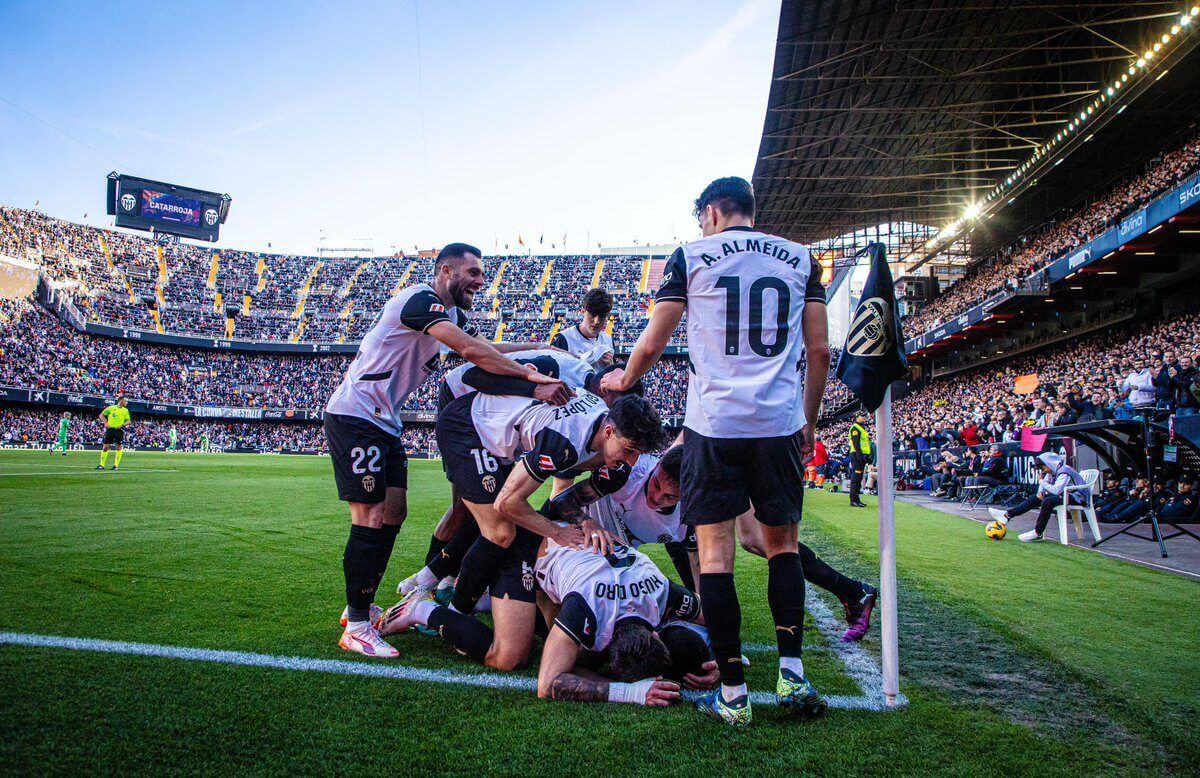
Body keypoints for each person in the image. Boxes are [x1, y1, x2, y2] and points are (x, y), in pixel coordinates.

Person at [601, 176, 830, 727]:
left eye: (701, 216)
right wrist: (809, 419)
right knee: (783, 549)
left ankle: (733, 691)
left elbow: (655, 340)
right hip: (777, 422)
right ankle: (793, 675)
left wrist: (624, 380)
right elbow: (819, 348)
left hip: (714, 425)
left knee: (715, 558)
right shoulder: (803, 259)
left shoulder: (693, 255)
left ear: (713, 211)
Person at [324, 242, 571, 659]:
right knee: (368, 518)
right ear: (446, 273)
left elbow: (484, 347)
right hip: (355, 415)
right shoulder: (419, 301)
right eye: (472, 272)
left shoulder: (450, 315)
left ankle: (359, 608)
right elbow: (473, 352)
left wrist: (539, 351)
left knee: (393, 513)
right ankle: (358, 624)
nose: (480, 280)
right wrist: (532, 377)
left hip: (385, 421)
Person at [382, 531, 701, 708]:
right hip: (527, 552)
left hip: (571, 561)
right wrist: (627, 691)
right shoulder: (587, 608)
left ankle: (491, 604)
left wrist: (721, 657)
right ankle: (420, 609)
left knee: (567, 647)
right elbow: (548, 684)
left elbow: (707, 612)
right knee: (508, 656)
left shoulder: (659, 590)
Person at [988, 452, 1089, 542]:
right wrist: (1040, 491)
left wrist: (1041, 481)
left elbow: (1056, 490)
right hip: (1066, 495)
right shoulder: (1054, 470)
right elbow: (1046, 484)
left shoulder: (1064, 471)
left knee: (1047, 501)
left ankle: (1037, 532)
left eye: (1043, 468)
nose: (1043, 471)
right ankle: (1007, 515)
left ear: (1049, 464)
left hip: (1078, 498)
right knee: (1034, 498)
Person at [551, 287, 615, 368]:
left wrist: (611, 367)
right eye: (593, 314)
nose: (596, 321)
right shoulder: (563, 339)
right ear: (582, 312)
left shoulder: (608, 340)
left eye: (602, 316)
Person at [96, 397, 130, 470]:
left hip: (119, 430)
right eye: (126, 401)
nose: (127, 403)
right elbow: (101, 415)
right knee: (105, 447)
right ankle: (102, 465)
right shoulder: (111, 408)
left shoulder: (125, 410)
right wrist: (105, 422)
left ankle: (116, 465)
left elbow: (128, 421)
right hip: (110, 430)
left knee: (118, 446)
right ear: (121, 401)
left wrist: (122, 425)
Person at [848, 414, 871, 507]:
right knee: (856, 478)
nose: (864, 418)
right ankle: (854, 500)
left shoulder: (861, 427)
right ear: (857, 418)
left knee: (859, 478)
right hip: (857, 455)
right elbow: (856, 443)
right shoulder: (855, 428)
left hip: (861, 455)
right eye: (862, 416)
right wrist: (860, 456)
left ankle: (856, 499)